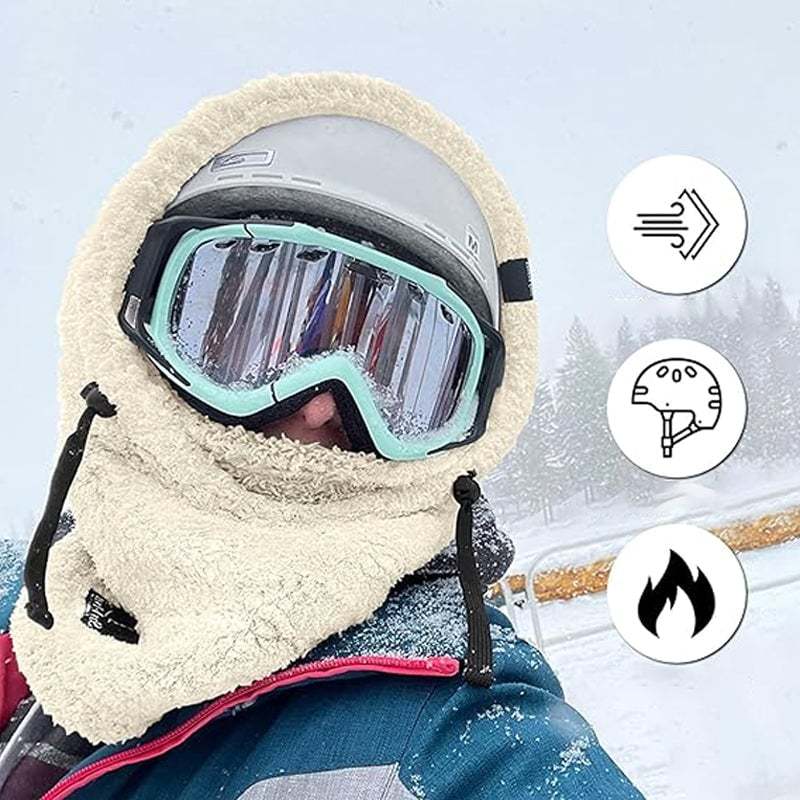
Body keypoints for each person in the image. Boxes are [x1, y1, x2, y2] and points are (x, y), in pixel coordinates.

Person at [0, 73, 644, 799]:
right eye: (259, 332)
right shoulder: (29, 590)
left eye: (397, 370)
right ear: (138, 320)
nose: (318, 405)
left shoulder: (463, 747)